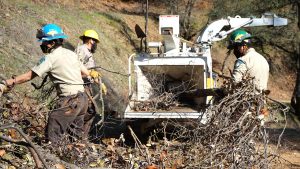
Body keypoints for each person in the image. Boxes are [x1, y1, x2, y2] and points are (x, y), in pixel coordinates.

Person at [0, 24, 101, 143]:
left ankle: (52, 159)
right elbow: (85, 73)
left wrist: (8, 82)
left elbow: (29, 76)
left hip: (70, 100)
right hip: (83, 100)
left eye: (44, 42)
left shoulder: (50, 58)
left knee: (53, 132)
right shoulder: (71, 54)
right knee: (74, 136)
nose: (42, 45)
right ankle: (74, 156)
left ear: (52, 43)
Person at [75, 29, 107, 140]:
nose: (96, 45)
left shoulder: (87, 52)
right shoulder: (82, 50)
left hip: (87, 85)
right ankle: (79, 138)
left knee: (90, 111)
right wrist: (89, 74)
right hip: (80, 86)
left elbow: (90, 72)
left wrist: (100, 83)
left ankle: (81, 138)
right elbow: (75, 69)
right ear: (91, 41)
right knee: (87, 111)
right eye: (96, 42)